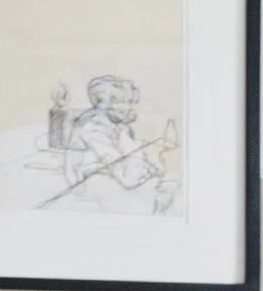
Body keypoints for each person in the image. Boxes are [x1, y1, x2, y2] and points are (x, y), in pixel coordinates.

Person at [58, 75, 178, 214]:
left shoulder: (117, 125)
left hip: (111, 183)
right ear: (100, 103)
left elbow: (131, 163)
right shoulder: (92, 128)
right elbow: (128, 178)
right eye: (120, 101)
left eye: (131, 101)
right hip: (89, 193)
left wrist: (149, 169)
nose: (128, 107)